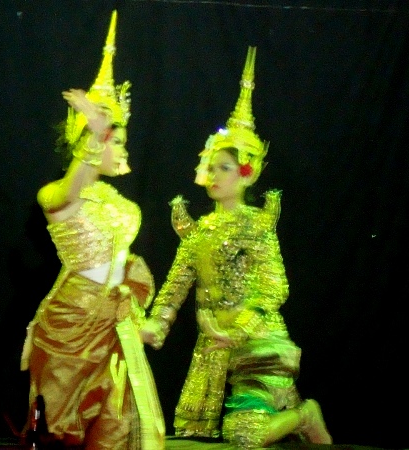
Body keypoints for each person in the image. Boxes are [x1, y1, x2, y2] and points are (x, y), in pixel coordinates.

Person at [140, 46, 333, 449]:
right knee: (196, 439)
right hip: (214, 349)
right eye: (211, 167)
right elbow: (175, 288)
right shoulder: (199, 231)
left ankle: (305, 414)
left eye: (224, 168)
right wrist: (156, 324)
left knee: (244, 435)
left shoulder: (257, 225)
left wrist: (239, 329)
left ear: (247, 174)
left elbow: (275, 287)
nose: (214, 175)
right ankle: (287, 415)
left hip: (259, 343)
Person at [19, 10, 165, 450]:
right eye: (113, 140)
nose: (119, 148)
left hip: (114, 329)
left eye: (120, 140)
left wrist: (140, 318)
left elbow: (123, 267)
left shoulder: (120, 203)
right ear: (85, 139)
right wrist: (96, 134)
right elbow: (72, 192)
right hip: (71, 324)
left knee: (117, 427)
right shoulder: (55, 194)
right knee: (59, 430)